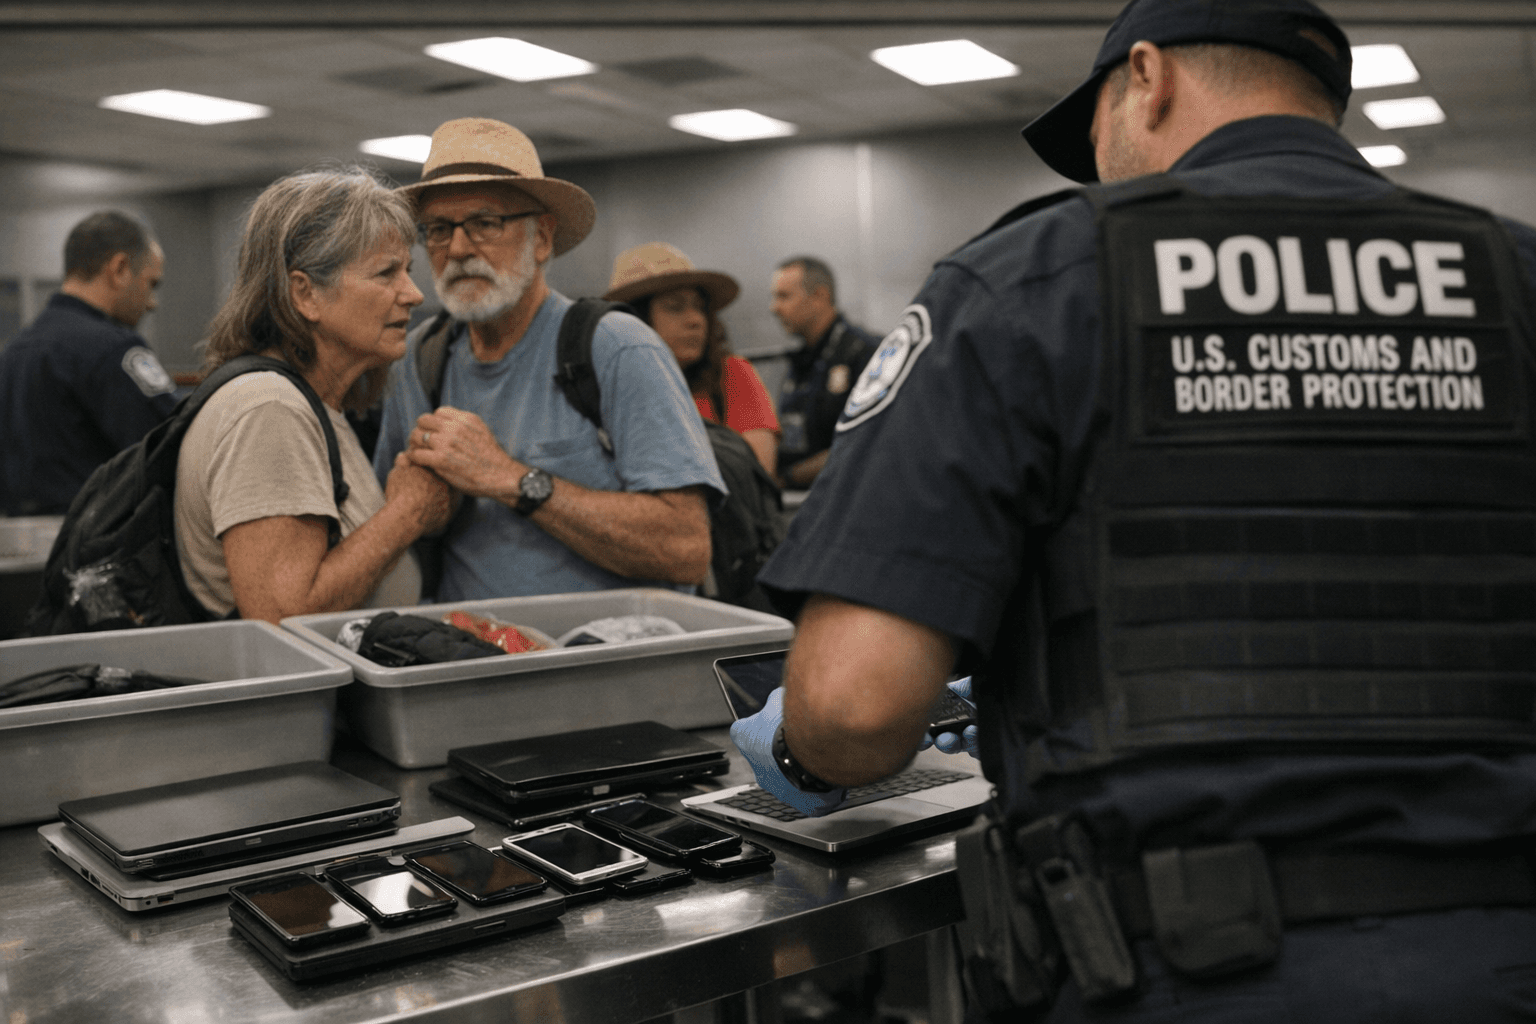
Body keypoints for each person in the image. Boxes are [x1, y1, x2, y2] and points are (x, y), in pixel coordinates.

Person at [734, 0, 1536, 1019]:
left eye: (1096, 130)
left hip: (1178, 968)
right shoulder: (1516, 276)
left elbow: (854, 707)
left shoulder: (1029, 282)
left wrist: (802, 750)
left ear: (1147, 78)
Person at [374, 118, 724, 602]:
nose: (456, 249)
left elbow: (685, 548)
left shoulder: (617, 347)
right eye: (437, 229)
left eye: (484, 223)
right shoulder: (418, 359)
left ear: (541, 238)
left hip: (601, 664)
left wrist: (509, 478)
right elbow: (389, 524)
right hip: (464, 660)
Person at [174, 168, 452, 625]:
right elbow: (283, 618)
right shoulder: (269, 410)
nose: (415, 294)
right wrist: (409, 511)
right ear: (305, 294)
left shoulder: (309, 404)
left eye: (408, 271)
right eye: (386, 273)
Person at [0, 210, 177, 515]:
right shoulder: (114, 350)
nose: (152, 302)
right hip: (95, 542)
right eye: (151, 284)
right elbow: (171, 445)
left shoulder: (15, 351)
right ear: (120, 269)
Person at [604, 241, 780, 474]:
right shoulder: (606, 388)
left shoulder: (731, 374)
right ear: (636, 320)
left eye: (699, 307)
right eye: (675, 307)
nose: (695, 320)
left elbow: (757, 473)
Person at [769, 256, 879, 488]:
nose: (774, 308)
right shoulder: (803, 359)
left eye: (784, 296)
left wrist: (788, 478)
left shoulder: (865, 353)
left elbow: (869, 442)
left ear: (819, 296)